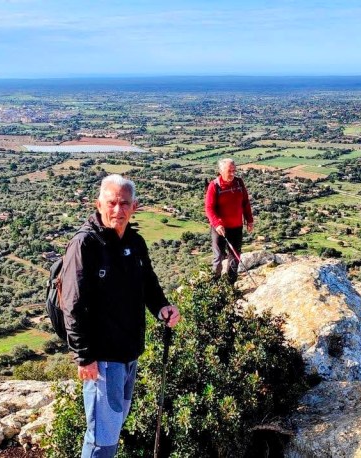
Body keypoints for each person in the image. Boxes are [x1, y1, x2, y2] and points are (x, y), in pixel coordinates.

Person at [58, 174, 181, 458]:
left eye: (124, 203)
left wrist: (162, 307)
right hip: (102, 358)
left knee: (114, 424)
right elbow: (72, 306)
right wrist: (84, 357)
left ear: (134, 206)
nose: (118, 210)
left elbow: (148, 284)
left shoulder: (135, 242)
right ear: (98, 204)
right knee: (103, 436)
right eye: (111, 203)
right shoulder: (85, 245)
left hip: (129, 353)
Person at [204, 158, 254, 283]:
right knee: (218, 257)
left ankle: (230, 285)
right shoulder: (214, 186)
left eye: (234, 170)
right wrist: (217, 224)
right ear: (220, 171)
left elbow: (245, 202)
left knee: (235, 256)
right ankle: (214, 284)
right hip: (220, 228)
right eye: (229, 171)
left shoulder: (239, 183)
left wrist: (249, 219)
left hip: (236, 227)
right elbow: (209, 208)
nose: (232, 174)